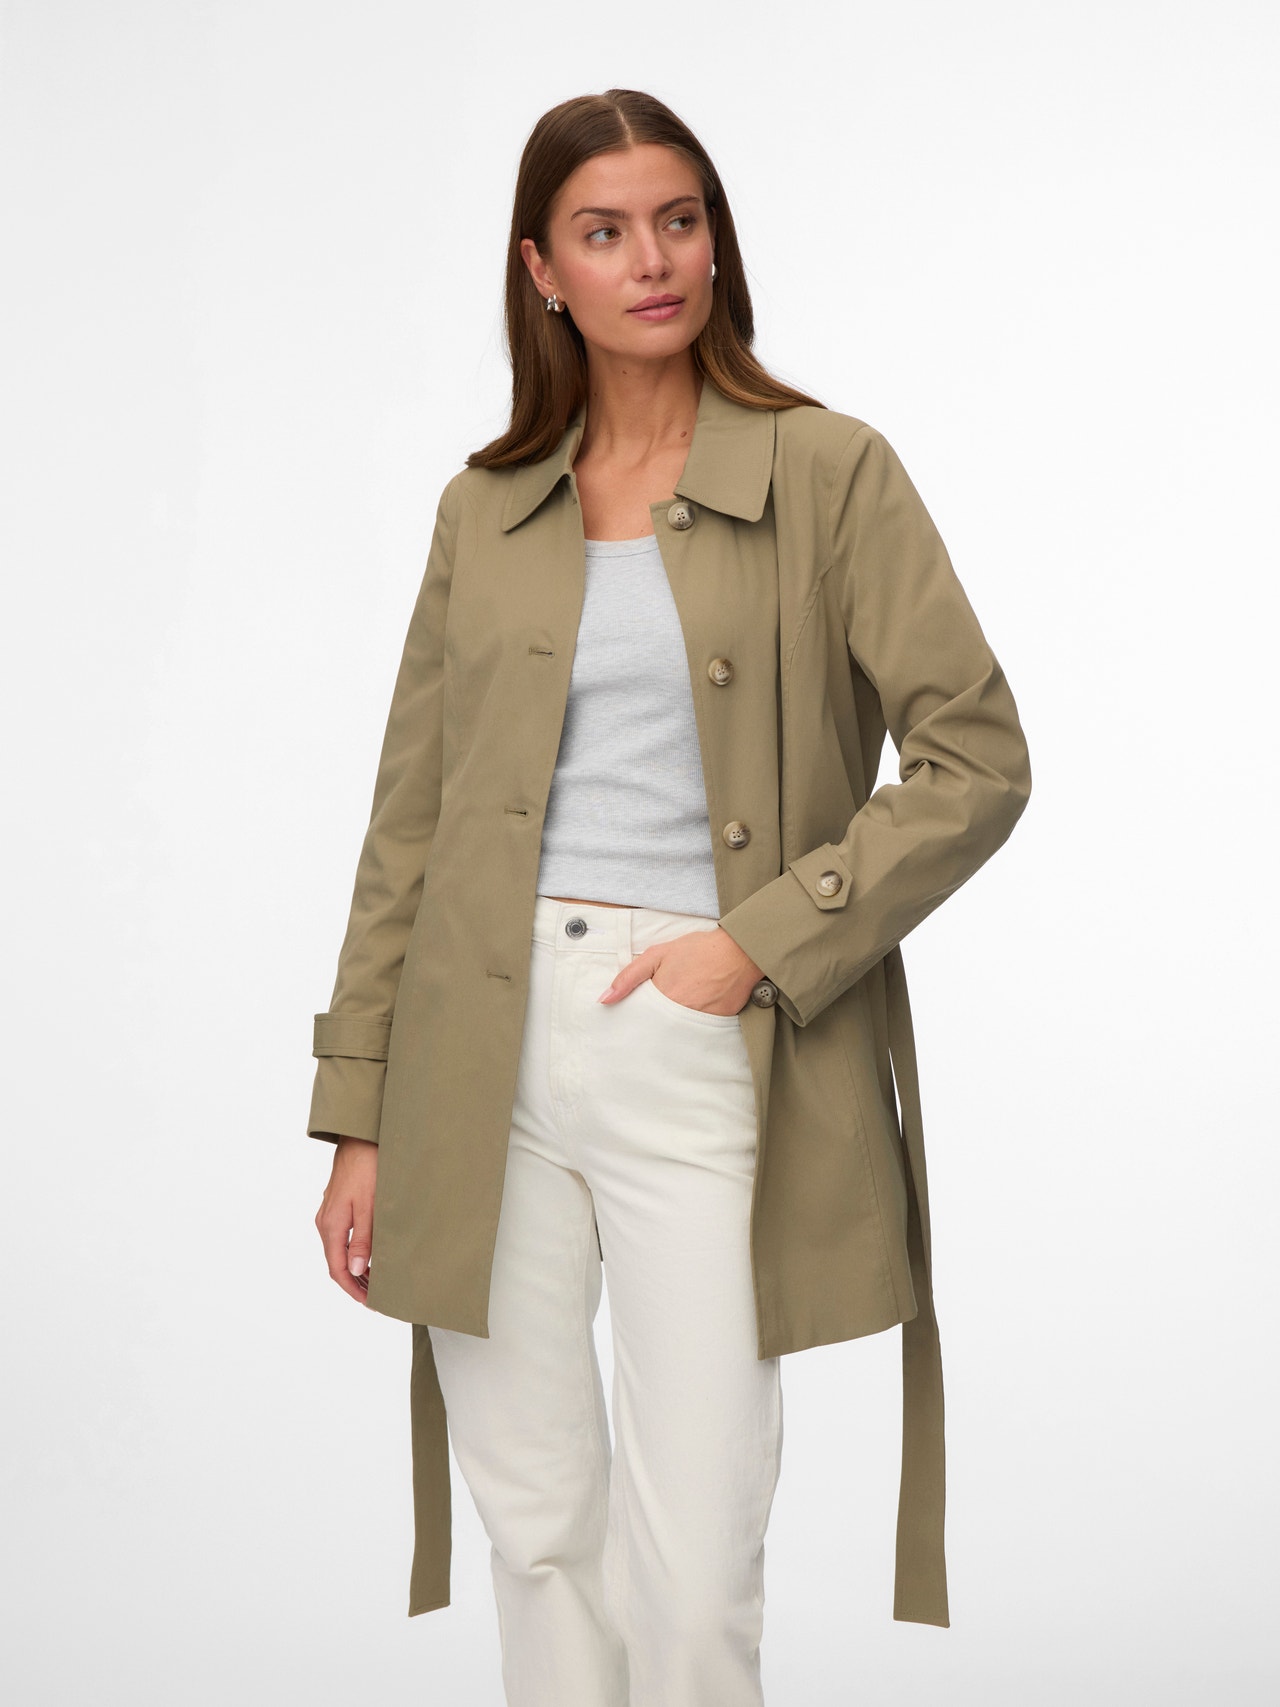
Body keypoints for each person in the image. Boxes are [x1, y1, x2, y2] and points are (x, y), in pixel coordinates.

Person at [307, 87, 1032, 1707]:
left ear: (716, 240)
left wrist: (756, 946)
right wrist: (359, 1115)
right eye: (606, 231)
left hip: (702, 1030)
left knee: (697, 1564)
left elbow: (977, 758)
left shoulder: (829, 471)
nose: (653, 260)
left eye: (680, 220)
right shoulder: (484, 505)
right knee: (539, 1530)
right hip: (476, 1054)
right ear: (541, 270)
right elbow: (407, 827)